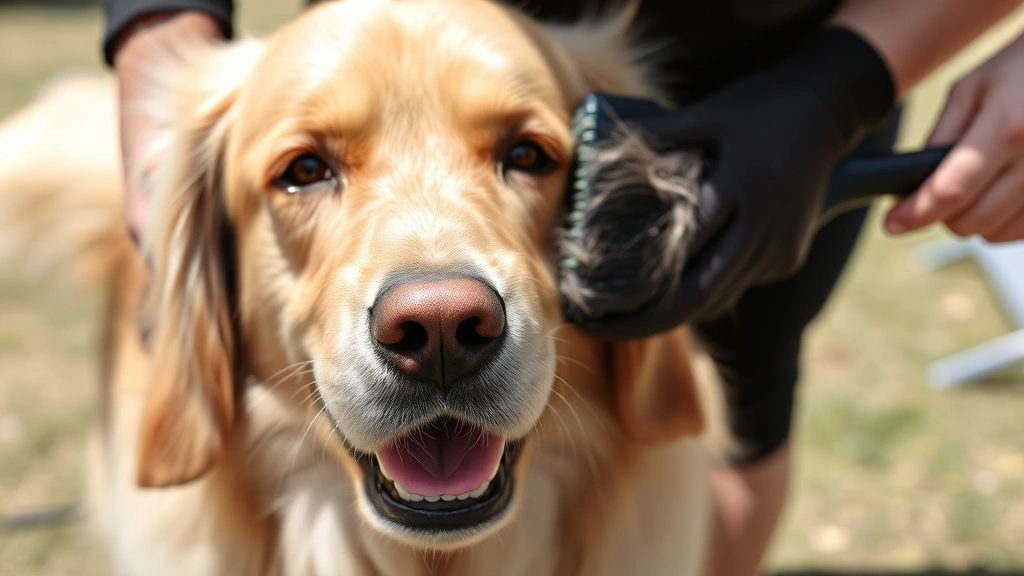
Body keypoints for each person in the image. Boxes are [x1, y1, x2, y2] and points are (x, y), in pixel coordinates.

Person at [103, 1, 1024, 574]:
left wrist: (831, 90)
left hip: (794, 54)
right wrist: (160, 37)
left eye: (525, 154)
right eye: (306, 169)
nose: (438, 308)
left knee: (745, 385)